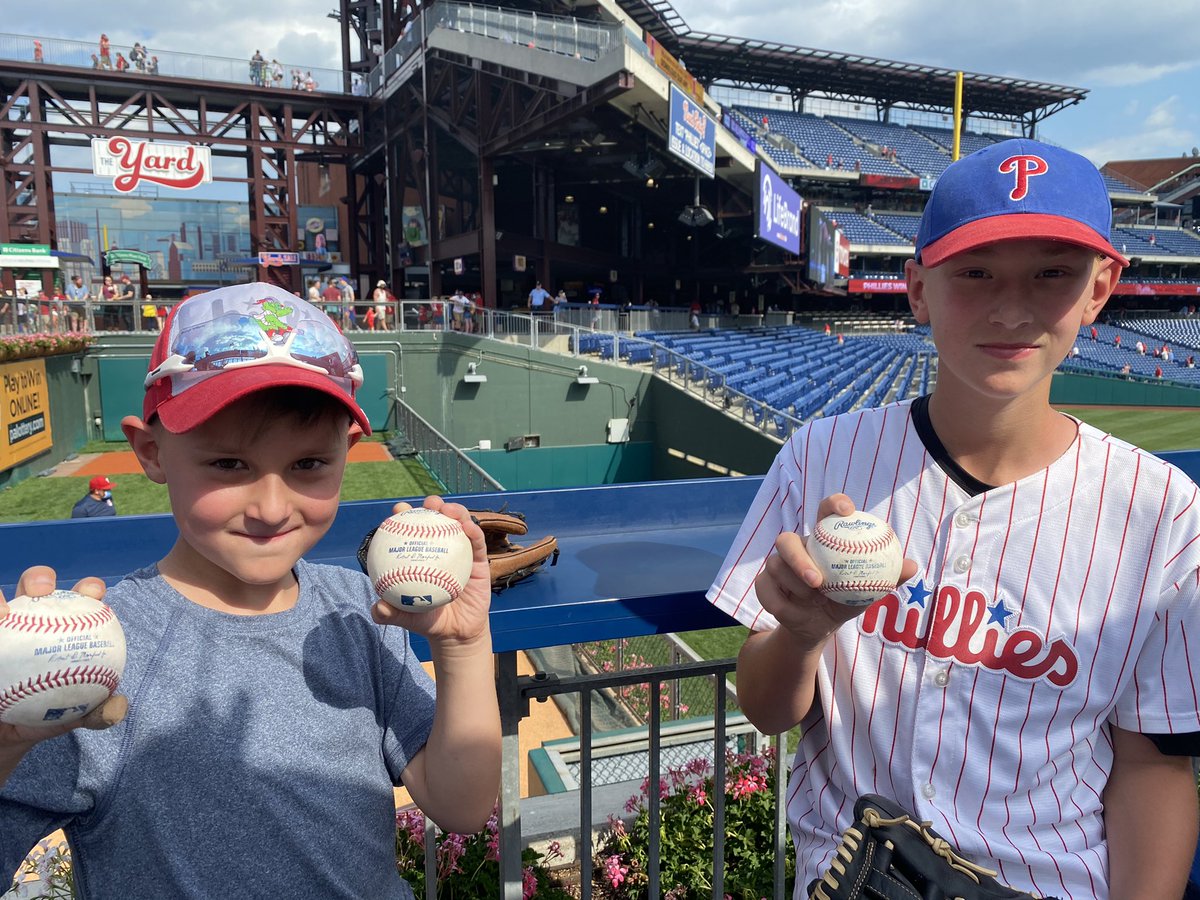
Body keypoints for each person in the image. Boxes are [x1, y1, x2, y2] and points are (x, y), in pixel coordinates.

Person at [708, 139, 1200, 900]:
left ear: (1100, 288)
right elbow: (768, 710)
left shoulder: (1161, 509)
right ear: (916, 289)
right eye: (974, 273)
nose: (1012, 308)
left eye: (1052, 273)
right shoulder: (822, 456)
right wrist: (803, 635)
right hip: (847, 879)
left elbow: (1150, 765)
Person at [1, 283, 501, 896]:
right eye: (229, 465)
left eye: (308, 465)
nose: (271, 507)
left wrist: (464, 646)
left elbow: (462, 806)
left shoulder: (356, 611)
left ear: (347, 454)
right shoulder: (92, 653)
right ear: (151, 453)